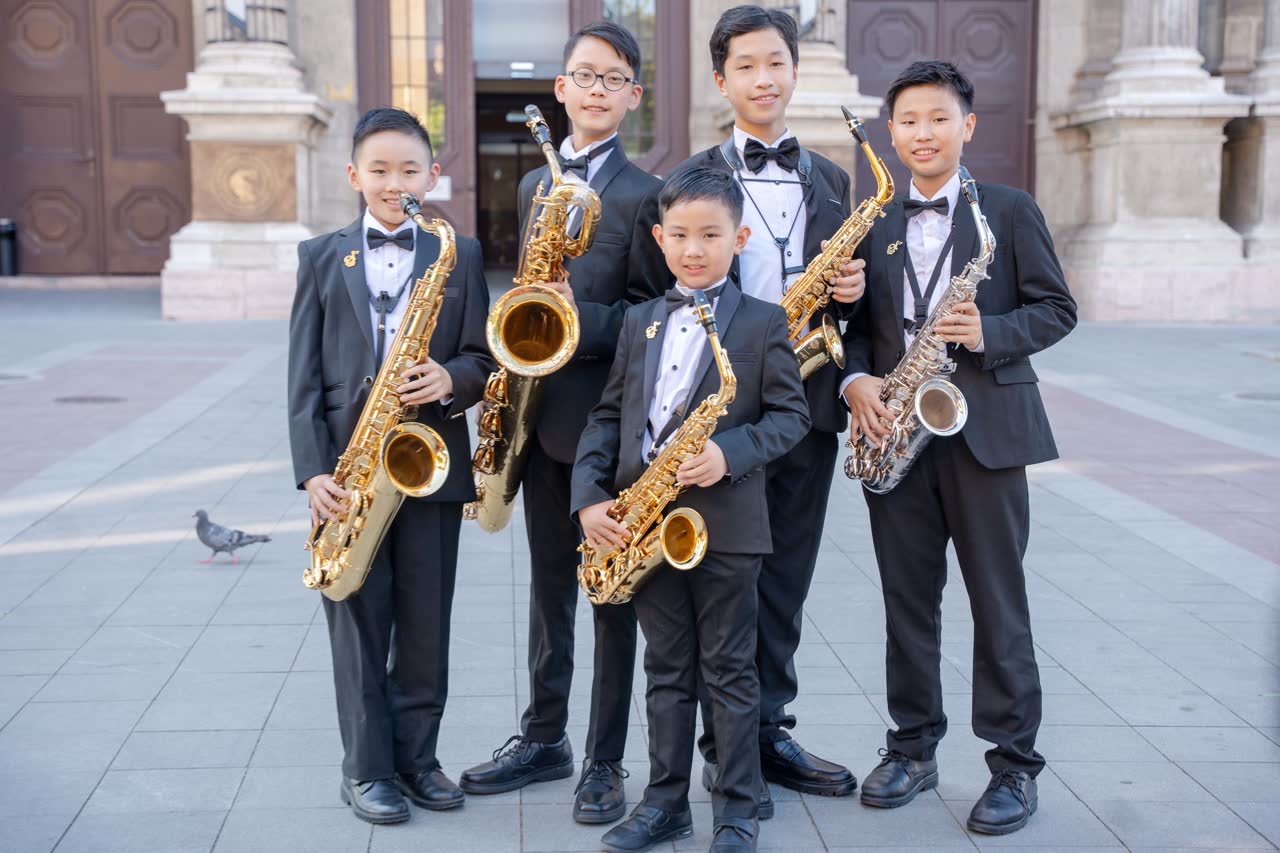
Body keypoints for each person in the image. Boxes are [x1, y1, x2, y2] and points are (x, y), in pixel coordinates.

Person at [843, 60, 1077, 835]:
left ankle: (1013, 765)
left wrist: (990, 331)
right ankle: (912, 747)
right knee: (906, 602)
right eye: (909, 120)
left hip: (986, 435)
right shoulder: (875, 221)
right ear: (891, 131)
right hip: (897, 431)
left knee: (997, 601)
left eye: (939, 118)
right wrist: (856, 382)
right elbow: (851, 333)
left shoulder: (1007, 209)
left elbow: (1057, 308)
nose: (923, 133)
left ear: (967, 126)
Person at [649, 4, 866, 801]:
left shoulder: (833, 181)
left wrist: (851, 290)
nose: (763, 78)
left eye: (776, 62)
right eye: (745, 65)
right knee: (720, 582)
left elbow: (857, 309)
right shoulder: (690, 179)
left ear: (795, 71)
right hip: (718, 419)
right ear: (721, 79)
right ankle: (724, 747)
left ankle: (769, 731)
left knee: (785, 578)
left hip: (804, 404)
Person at [459, 20, 665, 826]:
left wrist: (586, 318)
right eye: (585, 74)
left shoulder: (648, 193)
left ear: (633, 96)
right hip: (537, 417)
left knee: (611, 596)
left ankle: (605, 759)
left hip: (607, 430)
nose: (597, 89)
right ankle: (544, 736)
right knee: (548, 591)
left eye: (613, 78)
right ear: (560, 88)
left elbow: (657, 314)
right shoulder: (532, 187)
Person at [573, 167, 810, 853]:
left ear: (740, 238)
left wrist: (728, 453)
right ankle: (665, 803)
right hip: (647, 528)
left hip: (727, 527)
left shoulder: (765, 321)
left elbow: (791, 417)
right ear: (659, 238)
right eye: (679, 235)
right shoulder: (640, 320)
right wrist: (588, 498)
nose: (694, 249)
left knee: (730, 670)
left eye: (710, 235)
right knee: (667, 669)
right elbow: (608, 415)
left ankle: (736, 809)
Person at [287, 106, 494, 825]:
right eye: (379, 169)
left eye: (409, 169)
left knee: (426, 623)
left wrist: (451, 378)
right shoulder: (320, 256)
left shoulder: (459, 252)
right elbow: (303, 379)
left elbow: (484, 358)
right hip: (348, 473)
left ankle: (417, 759)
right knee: (359, 625)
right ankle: (366, 769)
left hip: (430, 465)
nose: (393, 182)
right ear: (354, 175)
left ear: (432, 175)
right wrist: (313, 472)